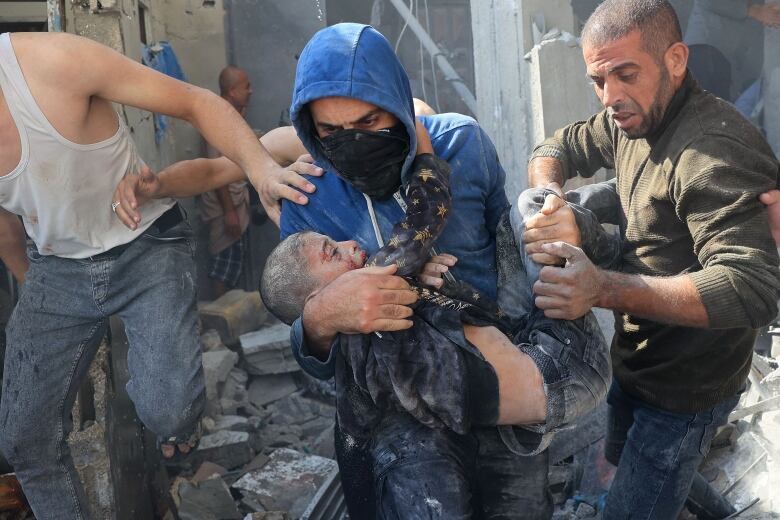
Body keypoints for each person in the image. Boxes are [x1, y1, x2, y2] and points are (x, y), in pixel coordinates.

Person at [0, 31, 300, 520]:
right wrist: (36, 304)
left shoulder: (50, 62)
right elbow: (6, 230)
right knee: (23, 438)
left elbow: (195, 102)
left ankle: (180, 428)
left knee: (168, 410)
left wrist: (262, 170)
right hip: (57, 270)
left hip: (146, 247)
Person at [523, 1, 780, 518]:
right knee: (630, 458)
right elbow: (559, 145)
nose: (610, 95)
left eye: (625, 74)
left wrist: (601, 290)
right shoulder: (630, 118)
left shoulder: (712, 152)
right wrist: (548, 195)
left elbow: (752, 288)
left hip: (689, 390)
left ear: (677, 59)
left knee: (639, 493)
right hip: (639, 359)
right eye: (598, 79)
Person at [201, 65, 254, 296]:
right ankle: (222, 319)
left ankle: (232, 317)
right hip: (224, 208)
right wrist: (230, 211)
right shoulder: (216, 119)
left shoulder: (231, 114)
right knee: (223, 266)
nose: (251, 91)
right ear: (232, 91)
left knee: (232, 263)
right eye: (246, 87)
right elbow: (215, 171)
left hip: (234, 203)